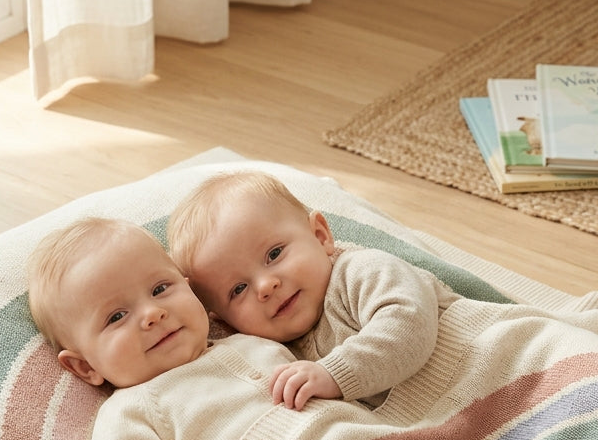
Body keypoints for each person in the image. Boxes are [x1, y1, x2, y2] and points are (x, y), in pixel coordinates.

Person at [27, 216, 354, 440]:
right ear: (84, 366)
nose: (152, 313)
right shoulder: (129, 412)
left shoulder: (252, 339)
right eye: (116, 317)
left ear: (190, 289)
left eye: (159, 289)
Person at [167, 170, 460, 412]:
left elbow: (410, 322)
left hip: (483, 360)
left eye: (274, 254)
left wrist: (335, 373)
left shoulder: (359, 272)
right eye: (239, 289)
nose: (266, 286)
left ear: (320, 236)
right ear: (225, 322)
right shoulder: (272, 350)